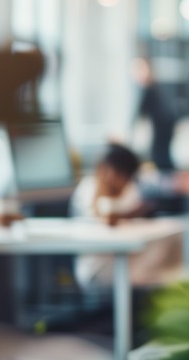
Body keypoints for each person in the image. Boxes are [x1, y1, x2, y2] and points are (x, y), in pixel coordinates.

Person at [71, 143, 181, 293]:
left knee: (172, 244)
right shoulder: (88, 189)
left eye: (125, 176)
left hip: (129, 260)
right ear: (101, 170)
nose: (117, 180)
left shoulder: (129, 190)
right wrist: (128, 213)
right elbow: (103, 219)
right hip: (97, 269)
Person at [130, 54, 179, 172]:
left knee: (160, 157)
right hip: (164, 129)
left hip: (163, 130)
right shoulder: (153, 88)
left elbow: (138, 115)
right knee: (160, 157)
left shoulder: (151, 89)